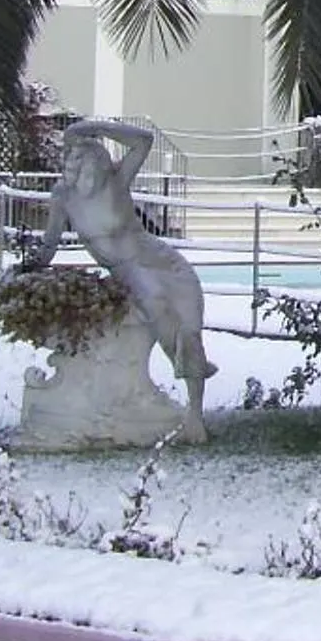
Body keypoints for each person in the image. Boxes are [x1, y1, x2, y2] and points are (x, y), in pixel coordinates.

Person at [38, 117, 215, 442]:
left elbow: (144, 140)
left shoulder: (117, 181)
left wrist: (97, 128)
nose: (90, 173)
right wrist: (33, 265)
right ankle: (169, 404)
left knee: (190, 327)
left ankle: (195, 415)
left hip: (163, 261)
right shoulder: (64, 196)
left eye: (95, 163)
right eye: (81, 165)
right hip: (130, 271)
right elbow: (49, 243)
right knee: (159, 311)